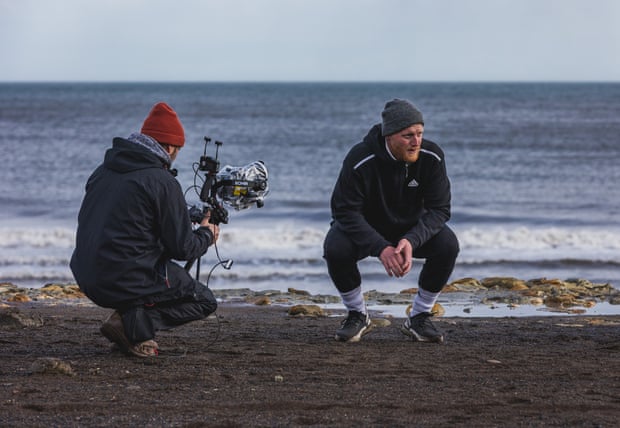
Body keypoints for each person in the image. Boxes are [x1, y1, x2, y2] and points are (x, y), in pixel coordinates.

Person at [70, 102, 220, 357]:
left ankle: (130, 320)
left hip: (87, 275)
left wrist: (181, 215)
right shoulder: (161, 181)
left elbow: (129, 222)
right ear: (170, 147)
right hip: (123, 278)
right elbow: (183, 249)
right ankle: (133, 326)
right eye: (178, 150)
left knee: (145, 265)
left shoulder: (103, 170)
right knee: (204, 300)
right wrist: (207, 235)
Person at [323, 99, 459, 343]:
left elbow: (440, 209)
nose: (416, 141)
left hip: (411, 229)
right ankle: (357, 314)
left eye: (419, 133)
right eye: (408, 135)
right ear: (389, 135)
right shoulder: (360, 158)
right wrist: (380, 248)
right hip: (367, 227)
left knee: (447, 244)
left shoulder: (432, 157)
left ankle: (419, 316)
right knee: (335, 247)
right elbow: (344, 211)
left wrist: (411, 239)